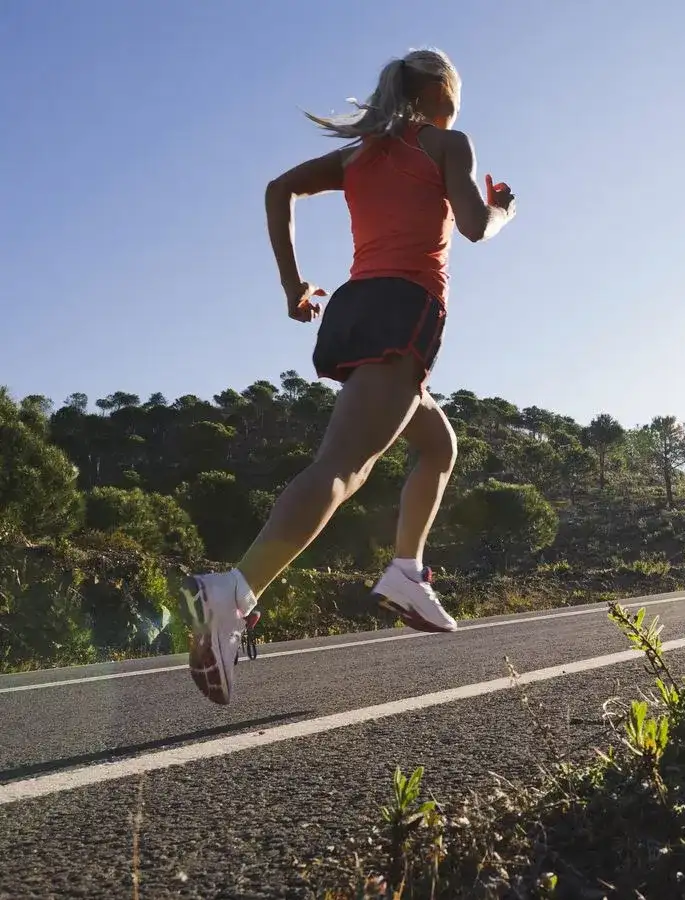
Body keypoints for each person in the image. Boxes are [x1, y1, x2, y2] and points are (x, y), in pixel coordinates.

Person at [180, 48, 516, 705]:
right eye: (456, 92)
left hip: (357, 308)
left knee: (437, 445)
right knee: (343, 467)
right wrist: (503, 206)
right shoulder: (448, 143)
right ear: (441, 92)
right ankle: (233, 592)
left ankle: (406, 572)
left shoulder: (361, 155)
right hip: (404, 306)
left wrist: (292, 286)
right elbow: (475, 227)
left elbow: (279, 189)